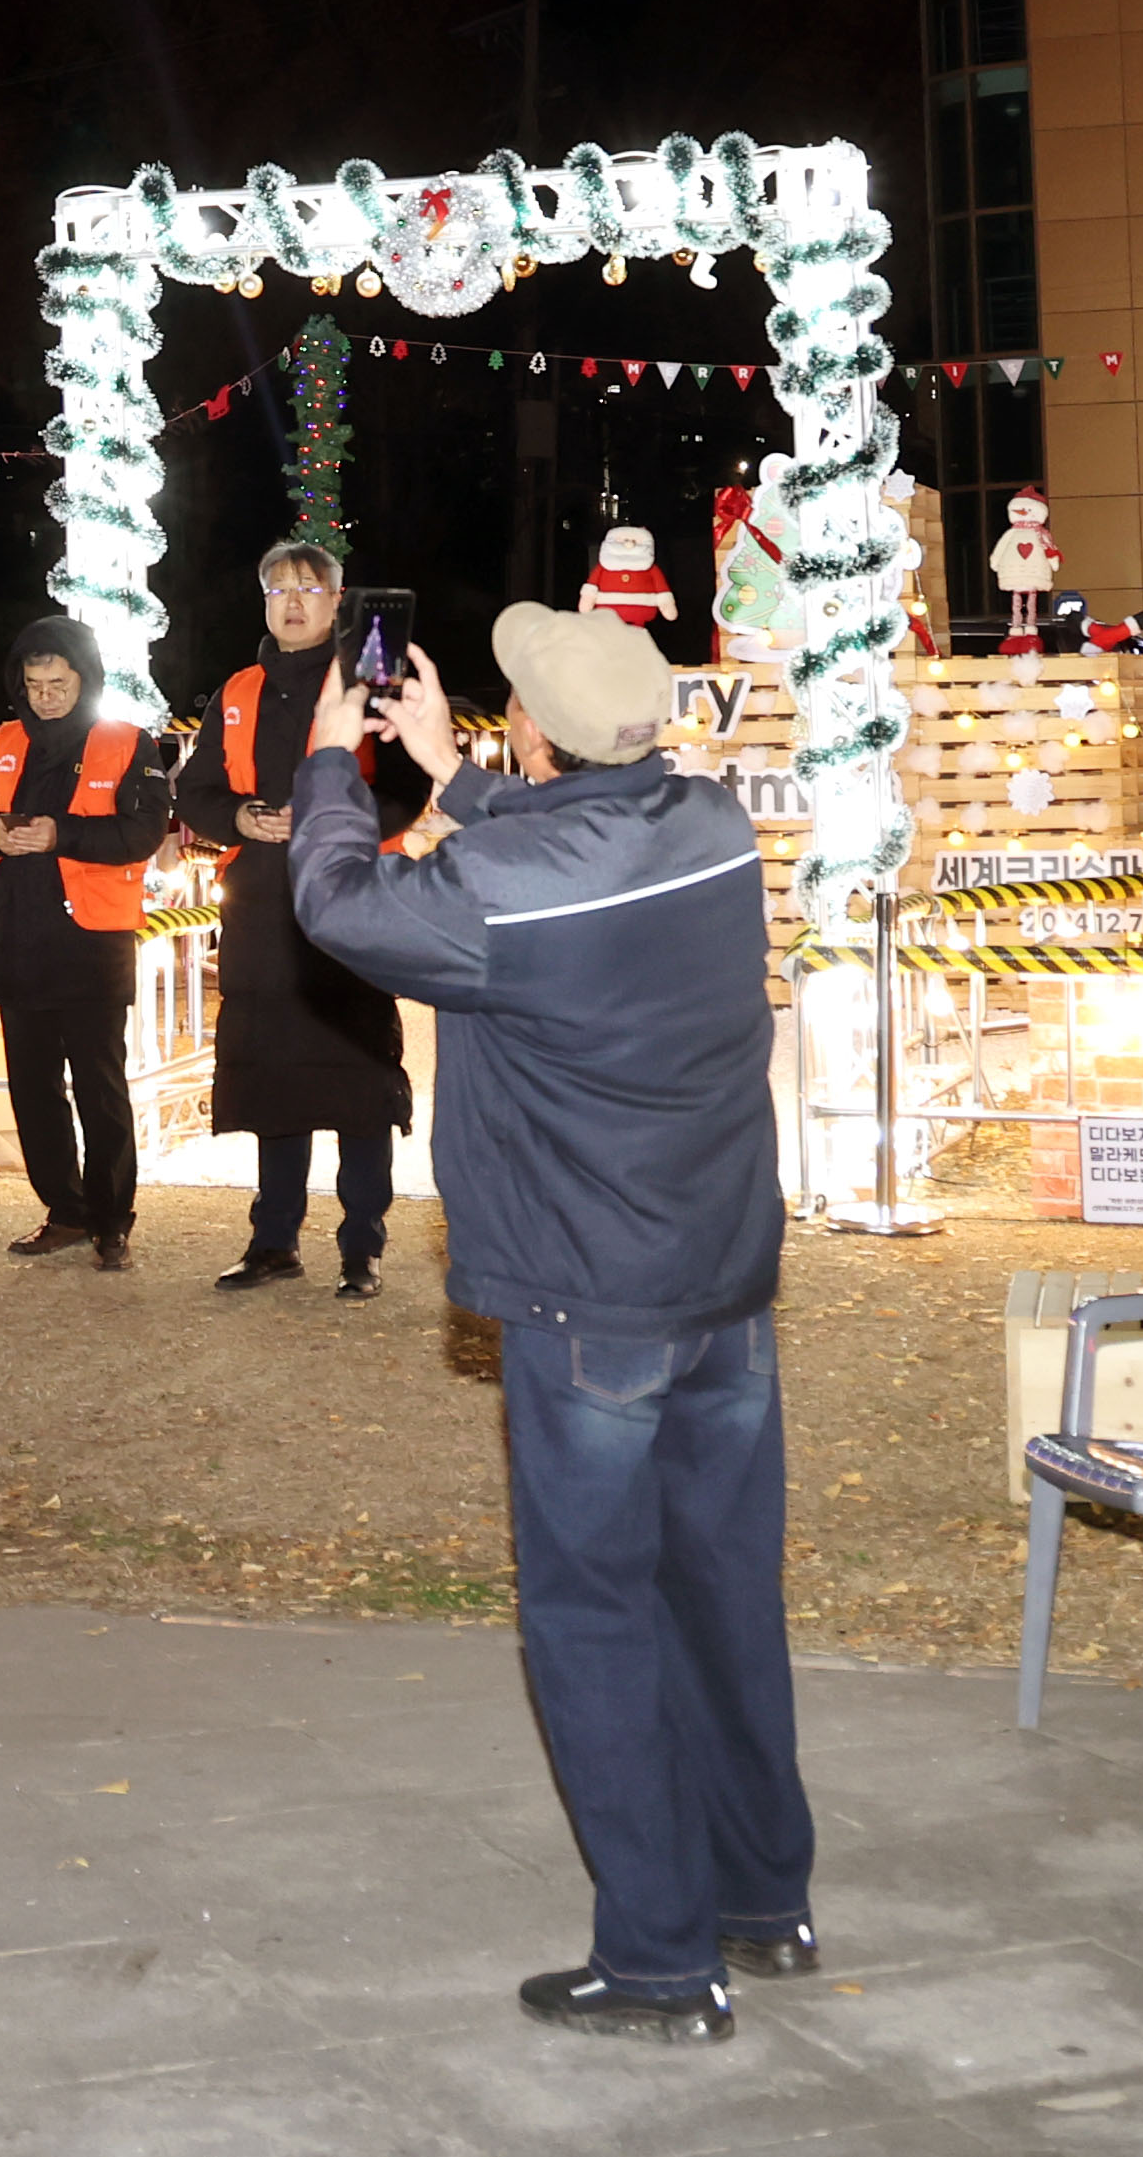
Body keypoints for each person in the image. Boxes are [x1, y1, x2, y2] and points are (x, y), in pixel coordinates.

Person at [294, 602, 802, 2046]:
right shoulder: (712, 826)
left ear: (534, 727)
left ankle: (658, 1961)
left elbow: (338, 903)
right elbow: (580, 838)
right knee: (722, 1593)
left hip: (590, 1298)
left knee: (593, 1616)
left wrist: (332, 763)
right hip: (723, 1279)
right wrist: (453, 774)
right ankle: (763, 1899)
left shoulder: (501, 891)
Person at [164, 544, 413, 1297]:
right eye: (278, 589)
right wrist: (239, 816)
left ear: (338, 600)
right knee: (273, 1082)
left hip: (350, 901)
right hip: (262, 907)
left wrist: (328, 820)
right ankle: (273, 1240)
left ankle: (362, 1246)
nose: (293, 601)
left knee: (358, 1080)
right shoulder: (238, 689)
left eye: (309, 588)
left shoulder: (370, 679)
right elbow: (196, 790)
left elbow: (405, 789)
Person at [0, 615, 167, 1268]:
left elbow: (143, 832)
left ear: (85, 680)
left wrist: (58, 834)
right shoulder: (4, 740)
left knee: (100, 1087)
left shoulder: (129, 743)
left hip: (92, 941)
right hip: (18, 937)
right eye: (33, 684)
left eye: (57, 685)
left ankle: (111, 1220)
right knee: (32, 1088)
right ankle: (64, 1211)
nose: (44, 697)